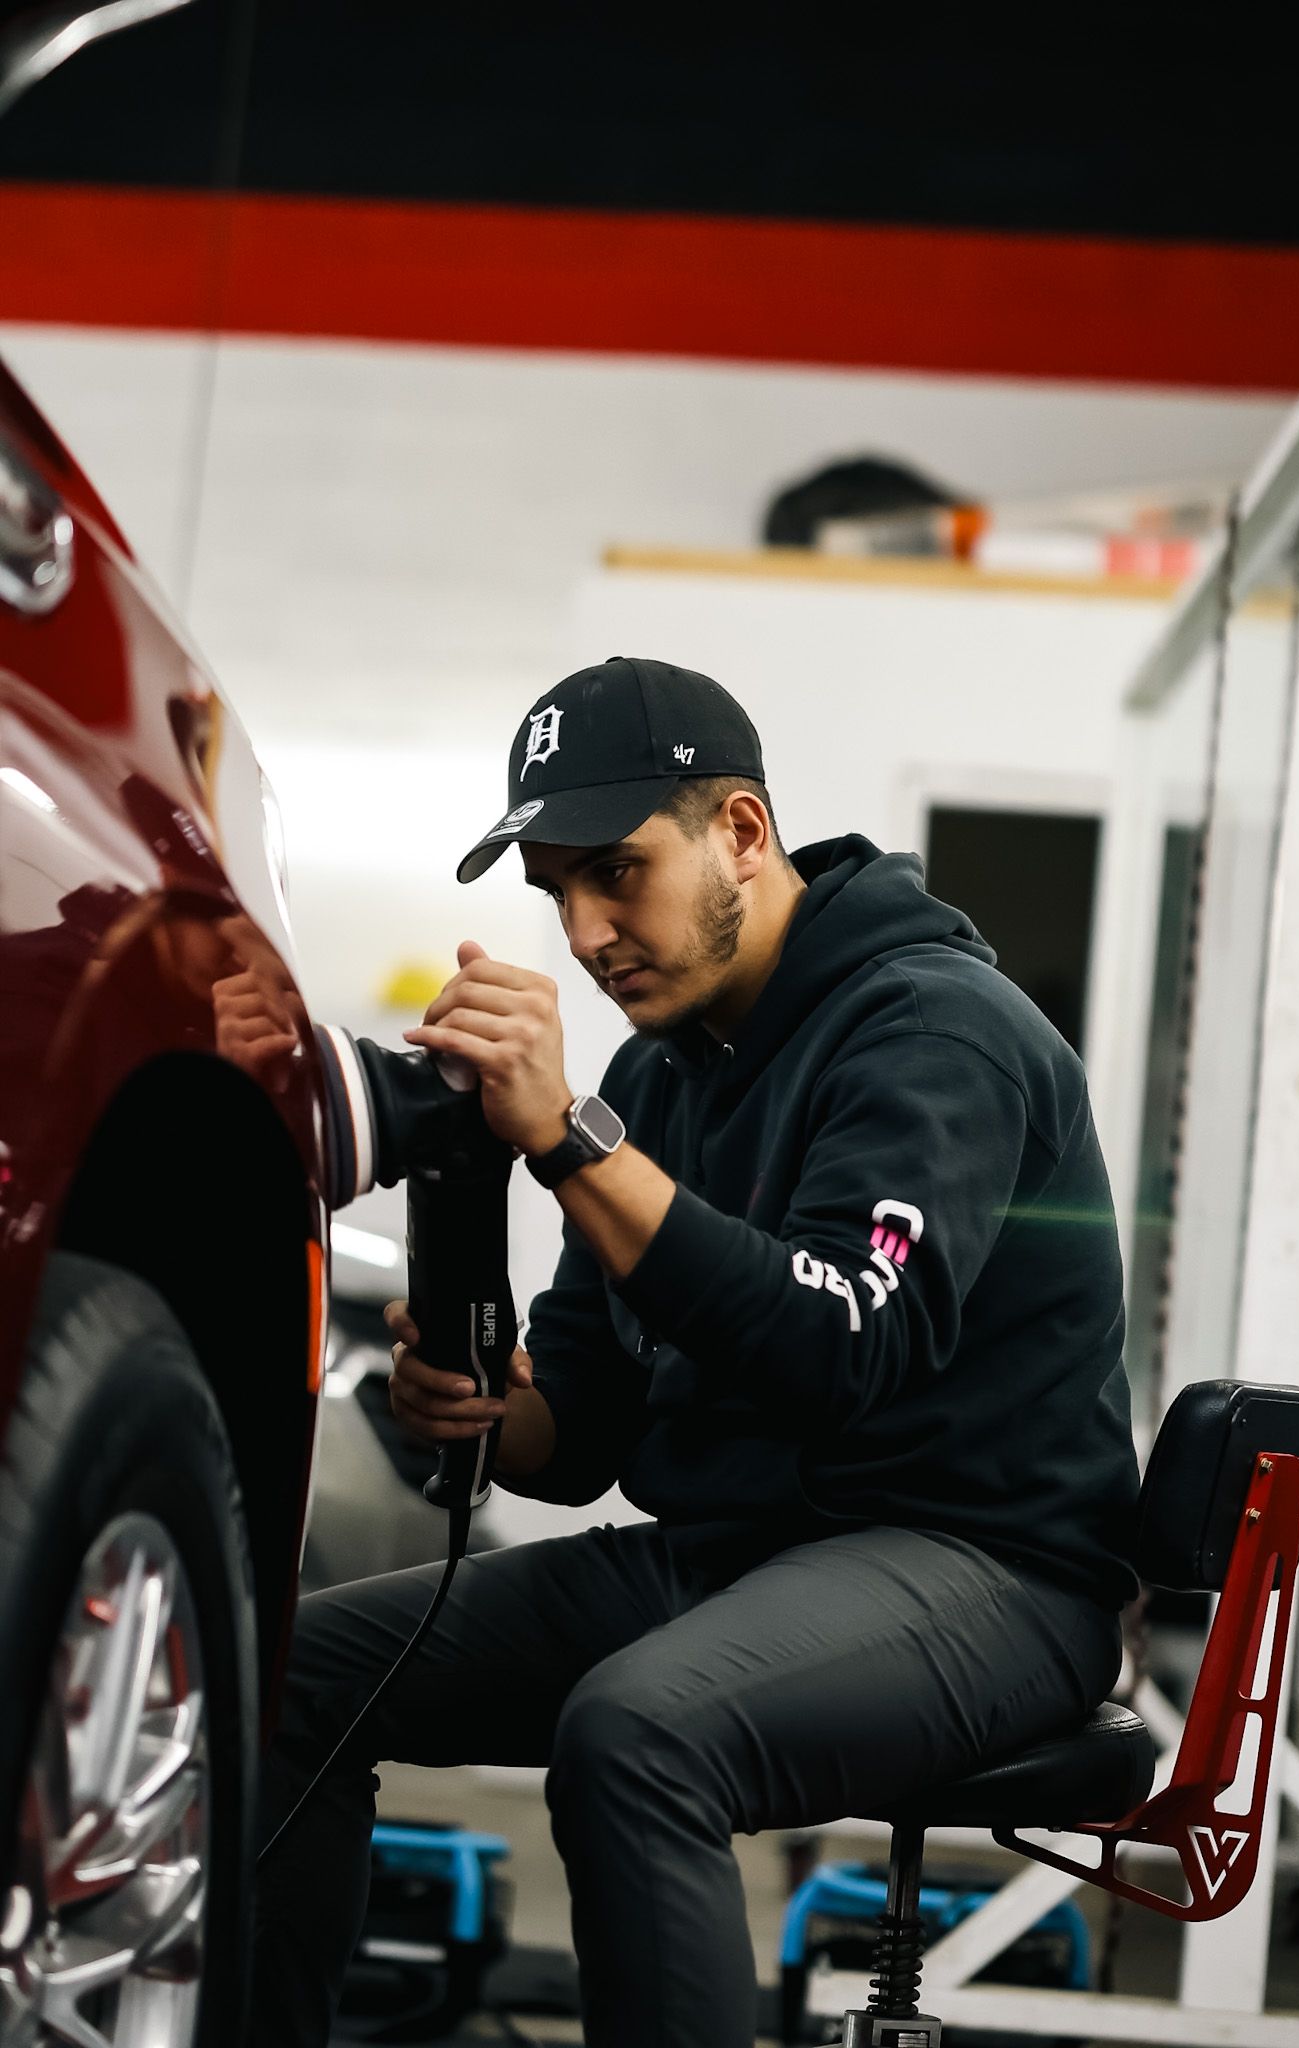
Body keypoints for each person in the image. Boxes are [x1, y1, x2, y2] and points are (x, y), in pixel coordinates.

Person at [252, 655, 1139, 2048]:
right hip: (737, 1556)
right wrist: (484, 1409)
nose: (593, 931)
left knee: (640, 1735)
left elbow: (840, 1339)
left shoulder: (931, 1030)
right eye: (558, 893)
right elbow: (584, 1436)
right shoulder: (651, 1080)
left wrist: (565, 1141)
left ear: (740, 831)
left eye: (619, 873)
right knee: (291, 1671)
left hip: (988, 1571)